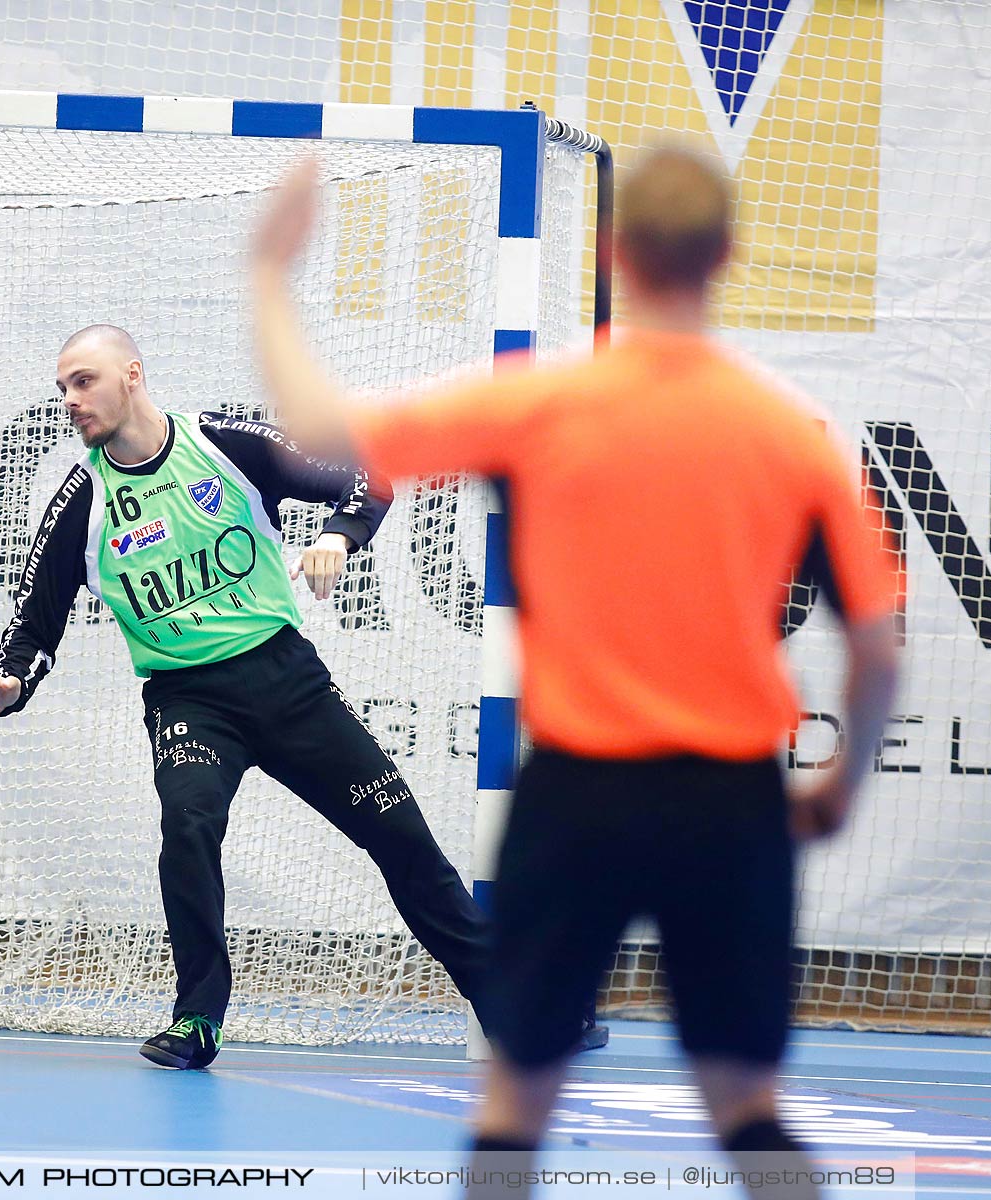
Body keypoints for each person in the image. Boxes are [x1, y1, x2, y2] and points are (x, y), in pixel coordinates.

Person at [249, 147, 903, 1198]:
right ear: (726, 256)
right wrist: (837, 788)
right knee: (748, 1109)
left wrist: (270, 277)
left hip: (579, 797)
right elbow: (876, 646)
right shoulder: (793, 434)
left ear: (613, 254)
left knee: (515, 1107)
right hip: (729, 802)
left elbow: (321, 435)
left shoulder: (546, 404)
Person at [0, 325, 606, 1069]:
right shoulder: (83, 504)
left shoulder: (226, 447)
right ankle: (197, 1019)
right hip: (188, 701)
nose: (70, 400)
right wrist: (10, 682)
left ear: (132, 375)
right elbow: (32, 628)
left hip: (287, 683)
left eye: (83, 381)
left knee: (403, 841)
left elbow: (367, 474)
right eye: (62, 389)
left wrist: (341, 532)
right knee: (189, 821)